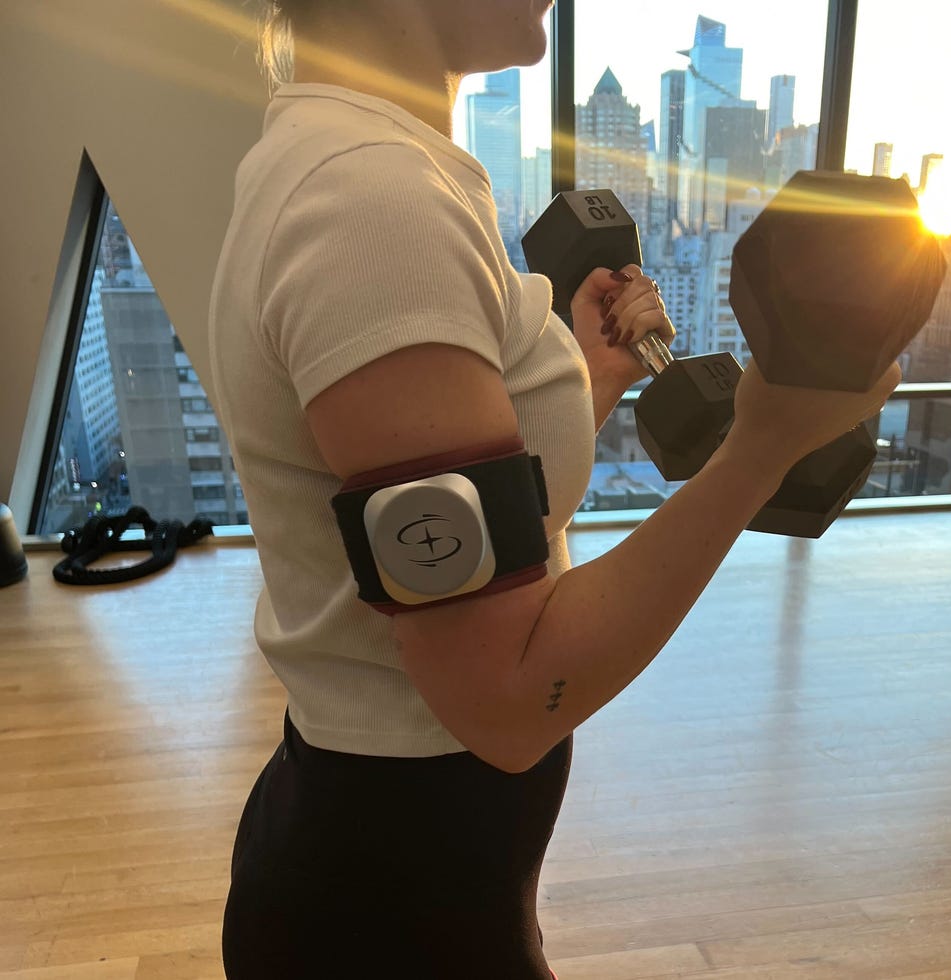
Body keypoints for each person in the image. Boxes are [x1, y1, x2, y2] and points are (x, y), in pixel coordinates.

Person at [207, 2, 901, 977]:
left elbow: (481, 526)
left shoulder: (344, 156)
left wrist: (579, 374)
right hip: (394, 903)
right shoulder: (370, 200)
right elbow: (506, 693)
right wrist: (761, 446)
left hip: (410, 857)